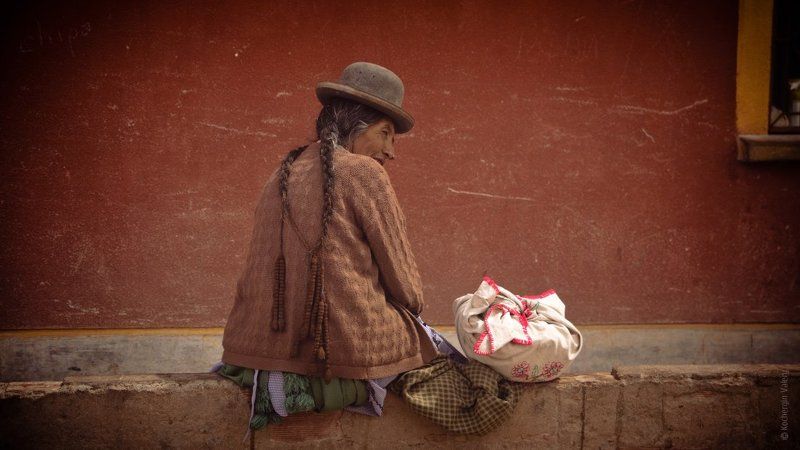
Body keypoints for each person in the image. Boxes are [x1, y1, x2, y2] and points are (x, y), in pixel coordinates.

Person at [213, 62, 438, 434]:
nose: (390, 151)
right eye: (385, 135)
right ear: (355, 126)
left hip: (251, 350)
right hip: (334, 354)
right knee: (428, 341)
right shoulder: (365, 172)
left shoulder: (282, 172)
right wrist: (412, 315)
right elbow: (405, 286)